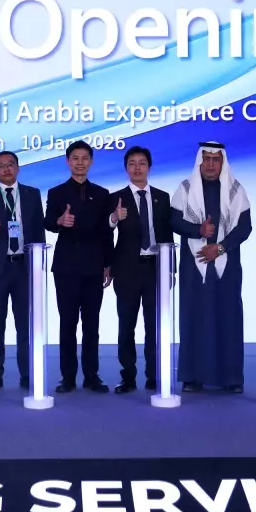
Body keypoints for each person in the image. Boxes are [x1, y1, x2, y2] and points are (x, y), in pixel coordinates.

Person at [170, 142, 253, 393]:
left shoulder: (236, 191)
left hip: (227, 264)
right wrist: (198, 230)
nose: (210, 164)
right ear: (199, 161)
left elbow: (245, 227)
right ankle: (192, 376)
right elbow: (173, 221)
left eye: (215, 159)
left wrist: (220, 247)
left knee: (228, 317)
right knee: (193, 316)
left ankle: (231, 378)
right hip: (193, 264)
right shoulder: (185, 189)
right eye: (206, 158)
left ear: (222, 163)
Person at [0, 150, 45, 392]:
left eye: (10, 164)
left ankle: (27, 373)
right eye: (1, 166)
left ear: (18, 168)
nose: (6, 169)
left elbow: (39, 231)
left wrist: (38, 266)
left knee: (25, 324)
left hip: (24, 266)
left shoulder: (32, 194)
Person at [44, 140, 113, 394]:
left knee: (92, 325)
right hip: (66, 267)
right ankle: (68, 377)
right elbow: (47, 222)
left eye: (85, 158)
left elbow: (107, 232)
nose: (80, 163)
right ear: (68, 161)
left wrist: (108, 263)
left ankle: (92, 375)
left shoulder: (103, 194)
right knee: (68, 323)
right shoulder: (57, 193)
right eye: (75, 158)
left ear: (91, 162)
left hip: (94, 266)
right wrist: (60, 220)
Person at [107, 146, 173, 393]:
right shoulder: (116, 198)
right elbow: (105, 234)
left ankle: (153, 376)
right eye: (132, 163)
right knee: (126, 325)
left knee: (154, 326)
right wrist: (114, 218)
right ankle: (128, 377)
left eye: (142, 163)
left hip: (155, 268)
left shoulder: (162, 197)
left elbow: (167, 235)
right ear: (126, 168)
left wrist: (170, 269)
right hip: (127, 270)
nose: (137, 168)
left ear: (149, 167)